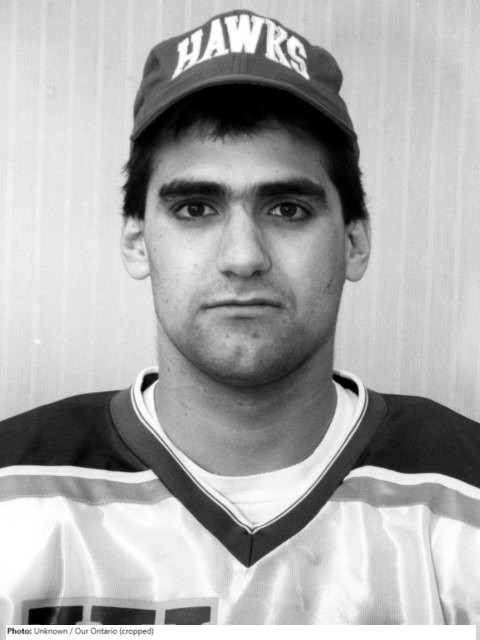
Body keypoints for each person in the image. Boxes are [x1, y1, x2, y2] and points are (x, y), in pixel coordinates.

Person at [0, 9, 479, 627]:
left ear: (354, 242)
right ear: (137, 241)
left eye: (287, 209)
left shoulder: (461, 498)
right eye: (196, 208)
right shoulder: (16, 493)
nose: (243, 257)